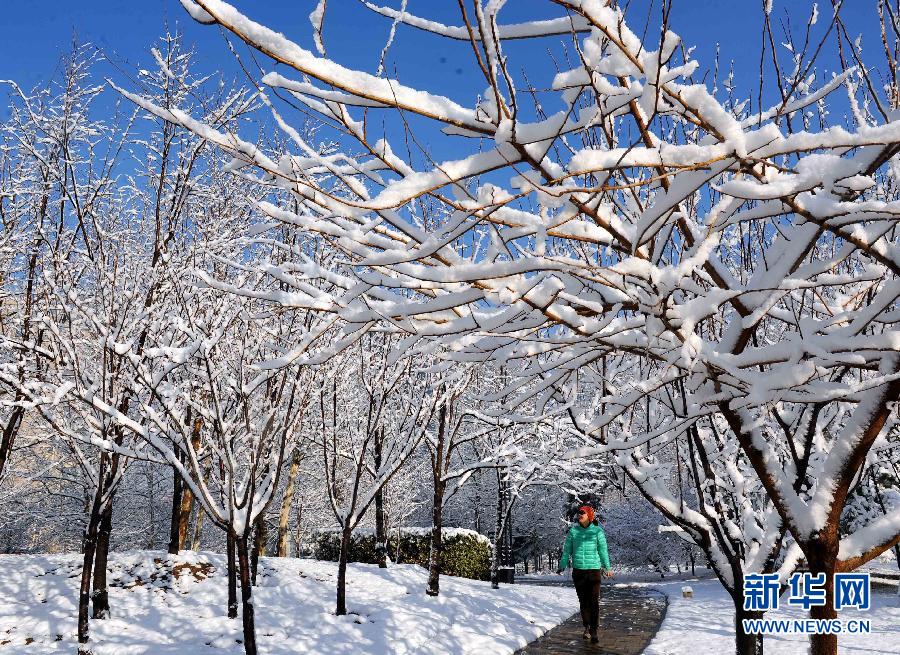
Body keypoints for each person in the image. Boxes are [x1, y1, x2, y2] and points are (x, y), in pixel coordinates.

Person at [556, 504, 612, 644]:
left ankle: (594, 630)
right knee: (583, 601)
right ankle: (586, 627)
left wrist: (607, 567)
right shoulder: (573, 532)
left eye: (583, 513)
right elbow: (567, 551)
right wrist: (562, 565)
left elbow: (603, 551)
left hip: (594, 571)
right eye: (578, 513)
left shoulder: (598, 532)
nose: (579, 515)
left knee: (593, 601)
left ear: (589, 515)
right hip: (579, 571)